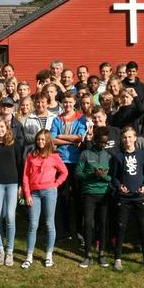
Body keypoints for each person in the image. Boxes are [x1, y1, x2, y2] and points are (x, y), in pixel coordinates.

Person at [22, 129, 68, 269]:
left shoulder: (54, 156)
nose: (40, 142)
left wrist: (56, 184)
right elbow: (25, 176)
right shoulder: (31, 156)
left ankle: (49, 255)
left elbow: (64, 172)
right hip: (34, 193)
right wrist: (27, 194)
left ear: (48, 141)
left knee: (49, 224)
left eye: (43, 139)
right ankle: (29, 256)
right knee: (33, 224)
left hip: (49, 192)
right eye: (38, 139)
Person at [110, 127, 144, 271]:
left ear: (135, 138)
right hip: (124, 198)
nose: (127, 140)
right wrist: (119, 186)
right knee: (121, 227)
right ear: (121, 139)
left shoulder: (142, 154)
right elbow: (114, 177)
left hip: (140, 197)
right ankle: (118, 258)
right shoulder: (118, 157)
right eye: (125, 137)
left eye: (130, 137)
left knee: (142, 227)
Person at [0, 116, 24, 267]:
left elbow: (20, 164)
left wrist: (21, 185)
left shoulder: (15, 143)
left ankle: (10, 251)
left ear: (7, 128)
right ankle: (1, 250)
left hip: (12, 184)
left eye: (2, 127)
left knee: (10, 217)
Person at [51, 94, 87, 241]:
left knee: (78, 196)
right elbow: (52, 139)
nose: (67, 105)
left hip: (77, 161)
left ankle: (79, 230)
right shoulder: (57, 119)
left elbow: (81, 136)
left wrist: (62, 136)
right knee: (63, 196)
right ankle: (64, 230)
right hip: (61, 162)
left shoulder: (81, 118)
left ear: (74, 103)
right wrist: (71, 141)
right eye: (65, 102)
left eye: (70, 102)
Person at [76, 127, 113, 268]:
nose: (102, 145)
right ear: (95, 140)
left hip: (104, 194)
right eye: (100, 142)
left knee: (102, 223)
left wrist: (103, 176)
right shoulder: (85, 154)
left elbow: (112, 178)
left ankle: (101, 253)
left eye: (105, 142)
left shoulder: (108, 156)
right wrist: (92, 174)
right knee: (88, 223)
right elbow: (78, 173)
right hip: (89, 194)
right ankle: (88, 254)